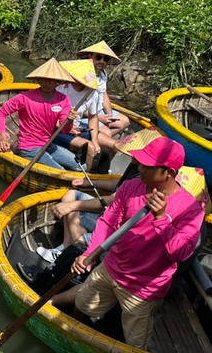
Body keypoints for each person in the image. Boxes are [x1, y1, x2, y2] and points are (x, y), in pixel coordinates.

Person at [73, 137, 204, 349]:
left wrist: (162, 218)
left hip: (143, 288)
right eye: (140, 162)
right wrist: (90, 253)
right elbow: (108, 222)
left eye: (147, 165)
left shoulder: (191, 210)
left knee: (135, 342)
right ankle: (72, 340)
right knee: (81, 305)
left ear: (168, 172)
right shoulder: (131, 187)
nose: (139, 168)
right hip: (111, 268)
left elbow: (179, 253)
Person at [37, 129, 161, 265]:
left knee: (72, 211)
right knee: (71, 194)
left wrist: (72, 206)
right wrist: (89, 182)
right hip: (112, 211)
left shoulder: (144, 173)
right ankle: (66, 247)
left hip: (119, 221)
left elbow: (113, 199)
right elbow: (120, 183)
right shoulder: (135, 165)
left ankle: (75, 252)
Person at [0, 58, 80, 170]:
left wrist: (70, 121)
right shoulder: (25, 97)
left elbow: (64, 130)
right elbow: (1, 113)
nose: (47, 82)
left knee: (79, 166)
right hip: (28, 146)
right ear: (38, 80)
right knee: (61, 172)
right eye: (43, 79)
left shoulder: (63, 99)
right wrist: (2, 137)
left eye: (51, 79)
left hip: (47, 144)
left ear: (58, 81)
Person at [52, 59, 103, 171]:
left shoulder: (91, 92)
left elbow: (93, 117)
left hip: (76, 126)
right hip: (57, 129)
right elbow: (49, 115)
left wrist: (95, 140)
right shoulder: (60, 88)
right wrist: (67, 128)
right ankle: (85, 180)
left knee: (110, 143)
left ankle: (101, 172)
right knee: (90, 147)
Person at [78, 41, 130, 136]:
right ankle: (101, 141)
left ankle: (102, 141)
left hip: (98, 110)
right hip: (84, 114)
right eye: (98, 57)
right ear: (90, 56)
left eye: (105, 59)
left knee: (125, 121)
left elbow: (104, 95)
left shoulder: (103, 73)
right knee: (107, 133)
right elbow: (76, 104)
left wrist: (109, 115)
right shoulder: (82, 75)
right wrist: (99, 117)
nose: (102, 61)